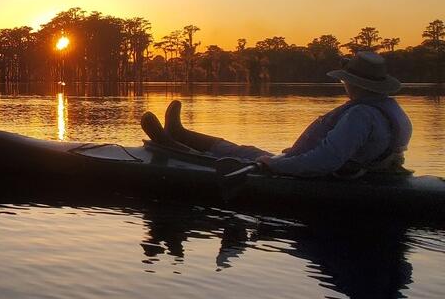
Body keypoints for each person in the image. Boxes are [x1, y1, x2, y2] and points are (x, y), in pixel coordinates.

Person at [140, 51, 412, 178]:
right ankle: (180, 133)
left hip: (314, 175)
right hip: (314, 165)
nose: (345, 85)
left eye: (345, 80)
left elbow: (324, 161)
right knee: (244, 149)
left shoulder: (360, 116)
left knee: (234, 157)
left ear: (355, 82)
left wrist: (275, 165)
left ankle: (172, 145)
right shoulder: (390, 110)